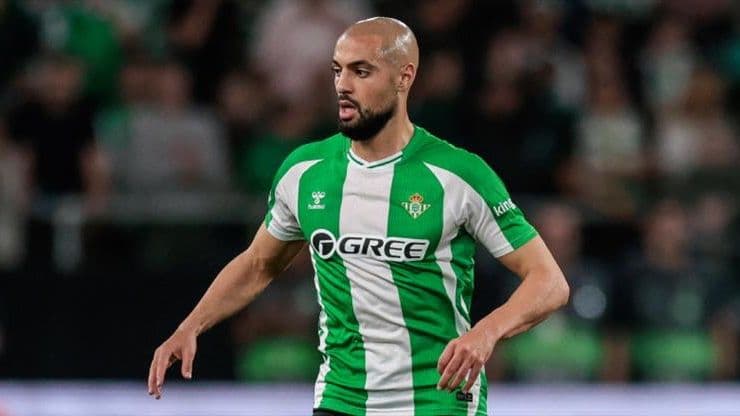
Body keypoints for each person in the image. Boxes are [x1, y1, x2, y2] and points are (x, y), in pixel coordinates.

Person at [147, 17, 569, 416]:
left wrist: (486, 333)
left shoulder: (458, 175)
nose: (343, 85)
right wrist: (190, 326)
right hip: (341, 398)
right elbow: (258, 263)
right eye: (338, 70)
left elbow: (549, 282)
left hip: (437, 399)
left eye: (361, 71)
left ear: (404, 77)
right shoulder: (304, 172)